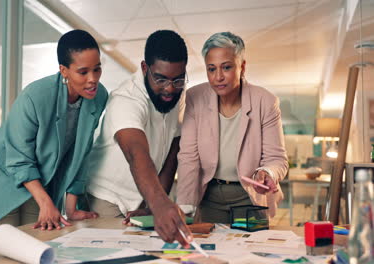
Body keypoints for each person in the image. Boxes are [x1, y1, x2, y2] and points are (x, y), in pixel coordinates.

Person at [0, 29, 108, 231]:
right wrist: (46, 202)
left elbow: (81, 153)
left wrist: (71, 208)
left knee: (39, 241)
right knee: (8, 248)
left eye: (97, 69)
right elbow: (18, 158)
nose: (92, 78)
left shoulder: (99, 97)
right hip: (2, 176)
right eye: (83, 72)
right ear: (64, 70)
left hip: (38, 179)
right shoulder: (35, 96)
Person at [85, 30, 192, 246]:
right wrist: (160, 204)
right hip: (107, 198)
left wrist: (153, 203)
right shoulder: (126, 99)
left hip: (144, 196)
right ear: (145, 69)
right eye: (161, 79)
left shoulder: (176, 93)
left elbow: (173, 149)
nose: (169, 88)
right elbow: (136, 153)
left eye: (178, 79)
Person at [176, 32, 288, 223]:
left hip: (250, 197)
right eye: (211, 69)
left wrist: (267, 173)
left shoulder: (266, 102)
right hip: (209, 197)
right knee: (210, 251)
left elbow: (276, 159)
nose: (218, 77)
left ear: (242, 67)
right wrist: (184, 207)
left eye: (226, 67)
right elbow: (189, 157)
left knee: (251, 251)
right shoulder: (195, 98)